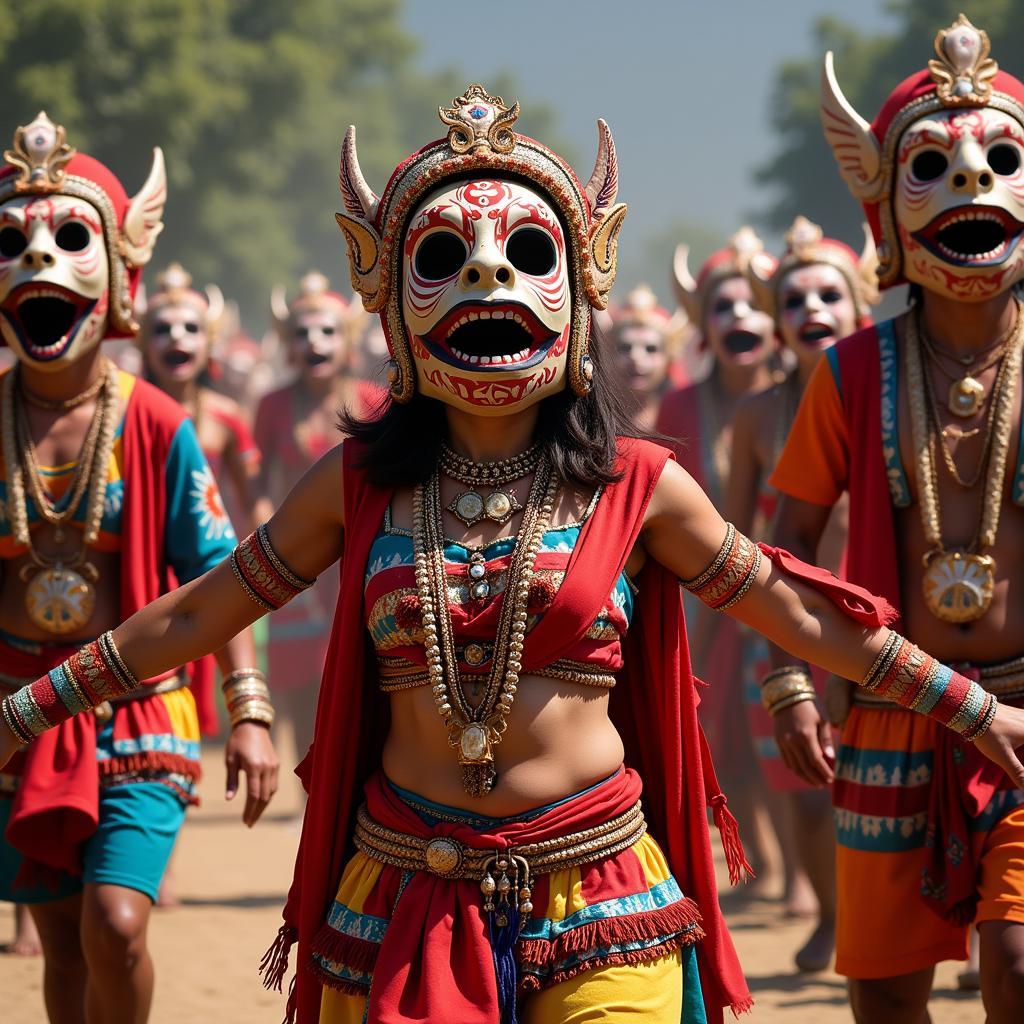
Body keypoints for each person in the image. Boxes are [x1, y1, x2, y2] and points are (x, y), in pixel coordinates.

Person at [3, 85, 1024, 1024]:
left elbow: (798, 613)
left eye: (527, 256)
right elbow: (195, 611)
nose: (488, 277)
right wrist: (24, 712)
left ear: (578, 295)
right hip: (404, 894)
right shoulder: (355, 485)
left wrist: (973, 710)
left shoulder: (637, 484)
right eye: (442, 260)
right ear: (394, 307)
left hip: (601, 894)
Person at [768, 16, 1024, 1022]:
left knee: (1015, 963)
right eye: (933, 166)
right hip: (891, 711)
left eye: (1000, 160)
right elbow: (783, 540)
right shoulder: (849, 372)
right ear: (883, 208)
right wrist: (789, 678)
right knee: (882, 996)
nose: (971, 185)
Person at [0, 112, 278, 1023]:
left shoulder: (155, 421)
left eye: (70, 238)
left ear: (118, 274)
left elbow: (221, 573)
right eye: (13, 242)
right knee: (61, 946)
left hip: (134, 709)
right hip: (13, 714)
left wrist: (248, 712)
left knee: (114, 927)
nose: (39, 261)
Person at [723, 215, 878, 971]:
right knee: (809, 788)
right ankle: (830, 915)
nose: (812, 309)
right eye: (794, 299)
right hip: (785, 624)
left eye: (828, 295)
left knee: (911, 785)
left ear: (861, 309)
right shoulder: (757, 416)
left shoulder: (892, 398)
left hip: (890, 623)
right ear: (778, 323)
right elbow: (731, 533)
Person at [656, 230, 786, 891]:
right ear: (702, 324)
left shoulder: (801, 396)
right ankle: (757, 852)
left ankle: (803, 872)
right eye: (723, 306)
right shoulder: (679, 404)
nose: (740, 318)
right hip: (702, 592)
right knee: (721, 731)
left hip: (789, 585)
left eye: (752, 304)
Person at [254, 271, 379, 769]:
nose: (314, 342)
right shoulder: (272, 405)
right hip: (298, 553)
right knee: (299, 674)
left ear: (345, 339)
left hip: (359, 555)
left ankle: (353, 775)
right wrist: (269, 535)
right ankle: (309, 781)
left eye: (326, 331)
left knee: (357, 667)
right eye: (303, 332)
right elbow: (261, 483)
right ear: (289, 343)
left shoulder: (371, 401)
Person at [139, 262, 262, 737]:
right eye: (162, 328)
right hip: (144, 563)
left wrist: (266, 567)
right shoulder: (124, 412)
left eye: (191, 328)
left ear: (209, 343)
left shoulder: (227, 418)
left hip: (208, 560)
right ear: (142, 343)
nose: (177, 338)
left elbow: (253, 503)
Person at [607, 284, 675, 432]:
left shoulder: (684, 416)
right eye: (625, 348)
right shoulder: (590, 416)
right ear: (608, 355)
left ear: (669, 359)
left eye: (650, 349)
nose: (636, 357)